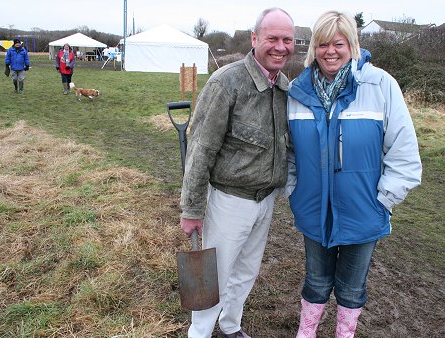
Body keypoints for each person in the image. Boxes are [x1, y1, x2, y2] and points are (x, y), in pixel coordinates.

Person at [285, 10, 422, 337]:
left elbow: (404, 152)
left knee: (350, 288)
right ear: (313, 49)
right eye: (322, 44)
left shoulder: (380, 85)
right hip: (313, 209)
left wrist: (383, 201)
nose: (330, 51)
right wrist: (294, 191)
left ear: (352, 45)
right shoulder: (296, 91)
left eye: (338, 43)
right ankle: (306, 333)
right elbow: (288, 153)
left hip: (363, 211)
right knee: (315, 282)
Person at [179, 7, 295, 338]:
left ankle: (231, 326)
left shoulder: (284, 88)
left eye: (287, 39)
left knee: (246, 272)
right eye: (272, 38)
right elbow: (201, 149)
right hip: (229, 201)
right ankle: (199, 333)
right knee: (214, 274)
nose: (280, 46)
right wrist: (192, 208)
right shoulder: (227, 82)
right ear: (255, 38)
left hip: (265, 200)